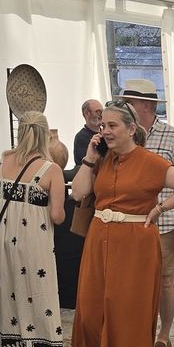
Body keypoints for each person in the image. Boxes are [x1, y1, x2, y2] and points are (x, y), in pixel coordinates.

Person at [72, 102, 174, 347]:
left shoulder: (150, 161)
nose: (105, 131)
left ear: (131, 129)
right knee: (94, 305)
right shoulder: (102, 160)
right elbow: (77, 193)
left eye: (112, 125)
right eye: (103, 125)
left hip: (134, 242)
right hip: (100, 239)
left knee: (131, 308)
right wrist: (89, 158)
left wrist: (160, 208)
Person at [0, 111, 69, 347]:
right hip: (34, 243)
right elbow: (57, 216)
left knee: (11, 297)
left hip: (5, 242)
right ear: (45, 135)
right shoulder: (50, 169)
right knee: (38, 295)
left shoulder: (3, 162)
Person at [120, 78, 174, 347]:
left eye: (131, 102)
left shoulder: (171, 136)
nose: (127, 107)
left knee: (165, 280)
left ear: (147, 105)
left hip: (163, 224)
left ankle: (163, 335)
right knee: (133, 282)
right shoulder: (122, 136)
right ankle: (140, 334)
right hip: (128, 222)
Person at [56, 99, 104, 309]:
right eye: (97, 111)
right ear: (86, 114)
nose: (100, 114)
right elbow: (84, 168)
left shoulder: (100, 135)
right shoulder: (83, 138)